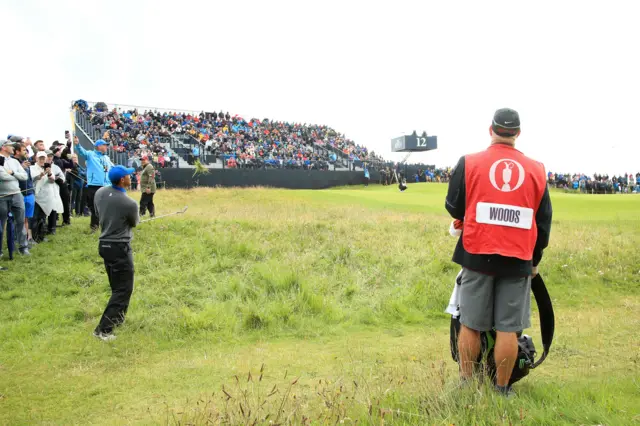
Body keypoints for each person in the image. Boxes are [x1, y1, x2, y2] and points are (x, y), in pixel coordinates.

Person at [444, 108, 553, 396]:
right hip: (518, 259)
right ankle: (502, 389)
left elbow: (454, 207)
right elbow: (542, 225)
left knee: (470, 324)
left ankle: (467, 383)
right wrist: (535, 260)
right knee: (508, 329)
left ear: (490, 129)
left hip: (476, 253)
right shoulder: (537, 170)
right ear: (518, 133)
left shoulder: (468, 162)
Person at [93, 165, 139, 341]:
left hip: (104, 246)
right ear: (122, 180)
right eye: (128, 176)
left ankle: (117, 319)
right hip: (119, 248)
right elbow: (134, 222)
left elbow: (99, 213)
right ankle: (103, 330)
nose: (131, 177)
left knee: (116, 287)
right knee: (123, 289)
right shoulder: (129, 203)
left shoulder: (100, 192)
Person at [74, 136, 114, 233]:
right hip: (94, 186)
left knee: (107, 207)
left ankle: (107, 226)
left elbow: (112, 168)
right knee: (95, 207)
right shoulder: (90, 155)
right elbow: (81, 152)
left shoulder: (106, 158)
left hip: (107, 186)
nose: (106, 147)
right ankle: (94, 227)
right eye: (105, 145)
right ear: (99, 146)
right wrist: (77, 144)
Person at [0, 140, 30, 256]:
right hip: (2, 196)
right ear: (3, 147)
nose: (13, 147)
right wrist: (15, 176)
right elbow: (1, 175)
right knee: (1, 225)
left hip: (17, 194)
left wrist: (12, 174)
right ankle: (0, 251)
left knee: (21, 222)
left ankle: (23, 247)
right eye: (10, 146)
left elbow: (25, 176)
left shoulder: (14, 161)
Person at [12, 143, 36, 246]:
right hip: (18, 194)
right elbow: (10, 174)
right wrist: (21, 167)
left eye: (26, 150)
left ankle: (26, 239)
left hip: (29, 192)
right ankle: (16, 240)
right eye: (23, 150)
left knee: (27, 218)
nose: (26, 152)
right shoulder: (11, 161)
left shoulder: (26, 161)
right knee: (17, 219)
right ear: (17, 151)